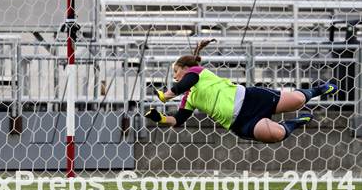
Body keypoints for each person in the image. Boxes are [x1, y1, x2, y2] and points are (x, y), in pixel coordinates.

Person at [145, 39, 338, 143]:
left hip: (250, 99)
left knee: (296, 101)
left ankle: (318, 89)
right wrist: (160, 118)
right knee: (276, 134)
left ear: (186, 68)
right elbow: (178, 120)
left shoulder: (198, 72)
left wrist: (166, 95)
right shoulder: (188, 98)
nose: (175, 77)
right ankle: (294, 123)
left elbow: (183, 84)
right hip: (241, 121)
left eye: (176, 72)